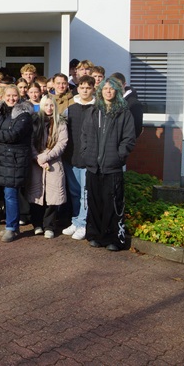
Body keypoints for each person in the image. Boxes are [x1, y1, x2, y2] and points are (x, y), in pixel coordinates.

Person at [81, 76, 137, 251]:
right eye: (105, 89)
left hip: (112, 167)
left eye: (111, 89)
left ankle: (114, 239)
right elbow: (84, 136)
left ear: (117, 91)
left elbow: (129, 139)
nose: (108, 91)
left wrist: (119, 157)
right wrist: (86, 154)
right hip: (93, 167)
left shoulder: (124, 113)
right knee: (95, 202)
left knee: (112, 204)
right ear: (100, 91)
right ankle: (95, 235)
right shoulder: (93, 111)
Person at [0, 84, 34, 243]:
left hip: (15, 161)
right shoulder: (0, 113)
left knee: (11, 194)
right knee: (7, 194)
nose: (12, 99)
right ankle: (12, 225)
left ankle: (11, 227)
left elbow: (13, 135)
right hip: (3, 160)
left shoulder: (24, 115)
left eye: (14, 96)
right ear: (2, 97)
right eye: (8, 96)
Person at [26, 95, 68, 239]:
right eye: (46, 105)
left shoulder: (60, 123)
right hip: (36, 164)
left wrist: (46, 157)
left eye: (52, 105)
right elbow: (30, 142)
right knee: (36, 195)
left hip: (54, 163)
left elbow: (62, 143)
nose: (49, 108)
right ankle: (37, 224)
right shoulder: (35, 122)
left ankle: (49, 225)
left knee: (53, 196)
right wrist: (37, 157)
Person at [61, 75, 96, 241]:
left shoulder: (97, 109)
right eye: (82, 87)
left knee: (85, 193)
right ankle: (76, 220)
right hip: (71, 156)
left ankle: (83, 223)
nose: (85, 90)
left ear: (93, 89)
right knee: (74, 192)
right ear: (78, 89)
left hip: (88, 158)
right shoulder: (70, 109)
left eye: (88, 88)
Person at [110, 72, 144, 138]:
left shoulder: (133, 103)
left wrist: (125, 145)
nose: (116, 88)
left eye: (118, 85)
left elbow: (136, 128)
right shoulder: (109, 101)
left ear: (124, 84)